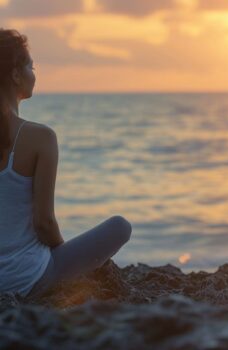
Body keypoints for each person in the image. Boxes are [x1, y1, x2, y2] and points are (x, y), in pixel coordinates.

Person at [0, 28, 132, 299]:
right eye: (31, 66)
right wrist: (60, 256)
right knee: (121, 226)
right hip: (27, 281)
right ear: (15, 74)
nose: (34, 74)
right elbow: (44, 223)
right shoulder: (40, 137)